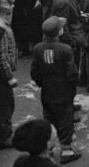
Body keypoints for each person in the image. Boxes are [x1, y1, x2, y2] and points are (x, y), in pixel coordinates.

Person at [30, 17, 79, 163]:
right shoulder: (65, 49)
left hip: (47, 89)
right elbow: (72, 72)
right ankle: (66, 150)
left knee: (49, 117)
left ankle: (49, 147)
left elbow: (35, 71)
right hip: (63, 89)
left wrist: (41, 83)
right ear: (60, 31)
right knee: (66, 119)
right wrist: (72, 86)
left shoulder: (38, 48)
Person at [0, 0, 14, 149]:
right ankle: (4, 136)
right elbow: (1, 58)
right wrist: (9, 76)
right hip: (2, 76)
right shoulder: (1, 29)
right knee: (6, 104)